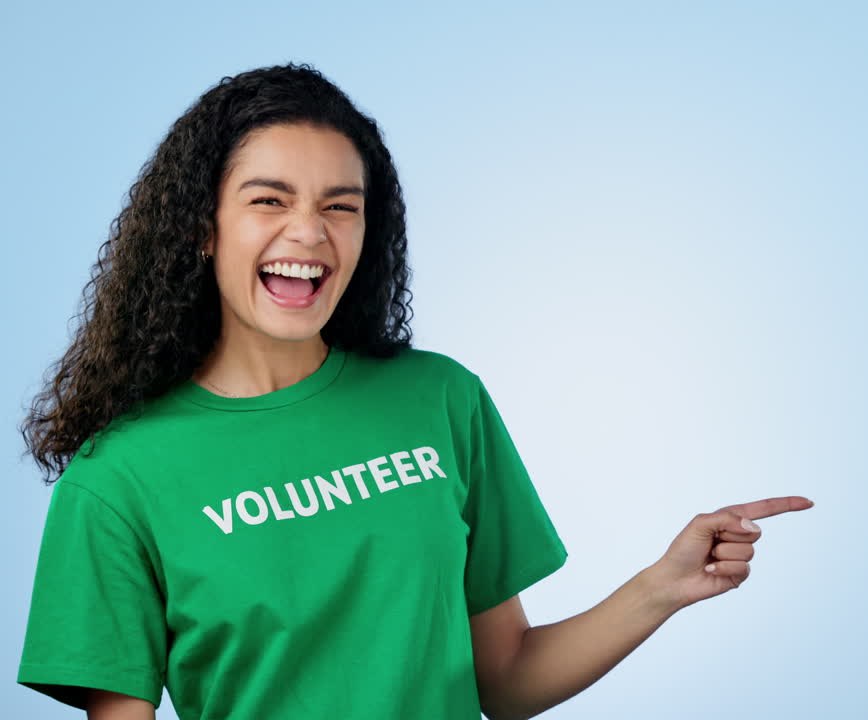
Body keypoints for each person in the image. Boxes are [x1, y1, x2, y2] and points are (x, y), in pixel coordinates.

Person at [16, 62, 814, 720]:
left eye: (341, 207)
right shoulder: (116, 480)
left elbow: (502, 680)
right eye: (269, 200)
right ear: (201, 227)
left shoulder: (440, 399)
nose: (309, 233)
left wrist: (662, 587)